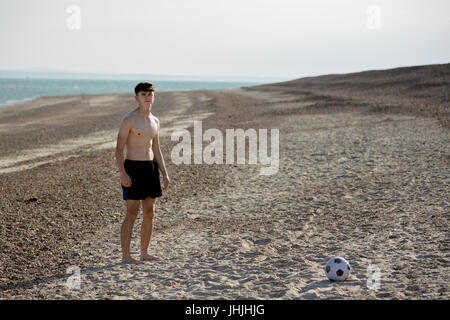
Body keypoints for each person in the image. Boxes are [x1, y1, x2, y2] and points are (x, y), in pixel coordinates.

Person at [115, 81, 170, 264]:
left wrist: (164, 172)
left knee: (150, 212)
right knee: (131, 213)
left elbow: (157, 148)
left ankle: (144, 253)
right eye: (143, 94)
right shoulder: (129, 119)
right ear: (136, 97)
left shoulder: (155, 121)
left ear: (154, 96)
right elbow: (118, 149)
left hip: (150, 169)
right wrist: (123, 174)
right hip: (133, 168)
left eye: (150, 94)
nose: (147, 97)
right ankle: (126, 256)